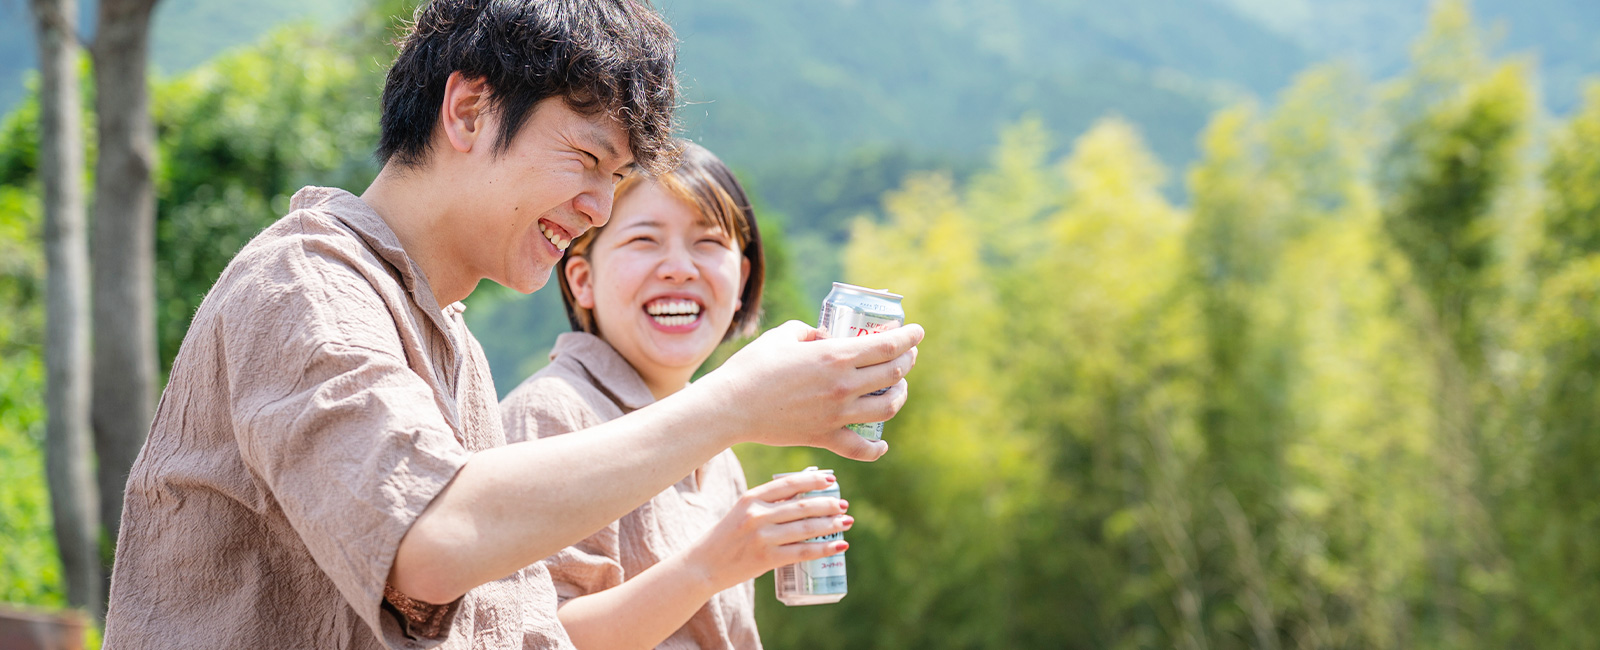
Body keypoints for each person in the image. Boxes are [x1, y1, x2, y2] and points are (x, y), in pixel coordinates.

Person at [100, 1, 923, 649]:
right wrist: (731, 407)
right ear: (468, 110)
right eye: (589, 161)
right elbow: (429, 538)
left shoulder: (449, 342)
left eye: (620, 178)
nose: (598, 206)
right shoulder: (305, 283)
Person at [501, 142, 835, 650]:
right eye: (644, 240)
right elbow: (525, 635)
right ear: (582, 279)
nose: (679, 267)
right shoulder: (550, 412)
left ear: (741, 280)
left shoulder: (718, 450)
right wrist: (711, 564)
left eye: (708, 243)